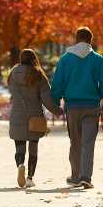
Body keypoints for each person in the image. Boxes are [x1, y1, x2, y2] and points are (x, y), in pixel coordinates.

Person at [51, 27, 103, 188]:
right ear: (90, 40)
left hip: (72, 106)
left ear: (76, 39)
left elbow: (57, 82)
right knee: (88, 142)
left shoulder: (66, 59)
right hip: (91, 106)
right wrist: (99, 94)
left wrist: (56, 100)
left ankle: (75, 175)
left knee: (75, 142)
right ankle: (86, 176)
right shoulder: (98, 59)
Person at [7, 49, 62, 188]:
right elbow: (47, 99)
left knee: (19, 147)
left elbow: (12, 92)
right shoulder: (38, 75)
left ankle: (20, 164)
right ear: (34, 59)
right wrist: (59, 111)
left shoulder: (12, 74)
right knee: (33, 148)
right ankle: (30, 178)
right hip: (35, 117)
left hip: (17, 115)